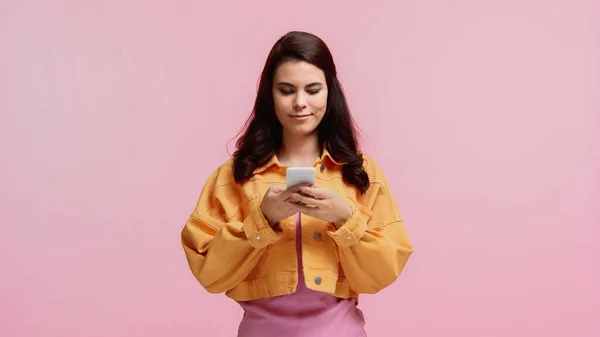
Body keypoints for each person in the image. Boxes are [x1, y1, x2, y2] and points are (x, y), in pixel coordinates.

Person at [180, 31, 413, 337]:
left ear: (331, 93)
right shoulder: (235, 175)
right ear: (270, 94)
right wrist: (261, 221)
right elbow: (209, 274)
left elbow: (381, 275)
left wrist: (346, 218)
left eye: (313, 90)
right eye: (286, 90)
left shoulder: (361, 172)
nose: (300, 103)